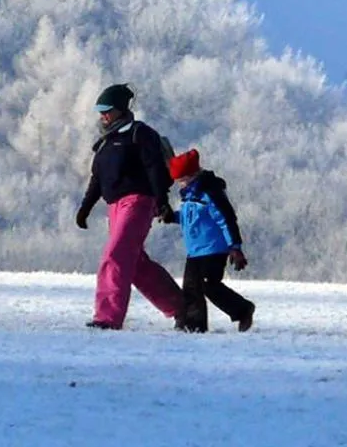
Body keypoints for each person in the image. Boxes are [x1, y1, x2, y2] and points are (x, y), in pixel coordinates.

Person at [75, 83, 184, 329]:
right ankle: (182, 306)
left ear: (121, 109)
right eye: (100, 110)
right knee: (134, 263)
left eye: (108, 110)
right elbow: (97, 179)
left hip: (138, 202)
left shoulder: (140, 133)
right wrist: (85, 208)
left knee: (115, 256)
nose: (103, 115)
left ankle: (107, 318)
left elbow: (154, 168)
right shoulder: (105, 142)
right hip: (114, 207)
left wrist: (162, 201)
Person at [169, 149, 255, 333]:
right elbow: (188, 218)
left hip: (214, 249)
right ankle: (194, 326)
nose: (180, 184)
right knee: (191, 289)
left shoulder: (210, 193)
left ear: (193, 175)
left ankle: (242, 309)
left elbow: (227, 219)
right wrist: (171, 217)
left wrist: (235, 247)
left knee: (209, 285)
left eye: (182, 179)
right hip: (194, 251)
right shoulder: (189, 196)